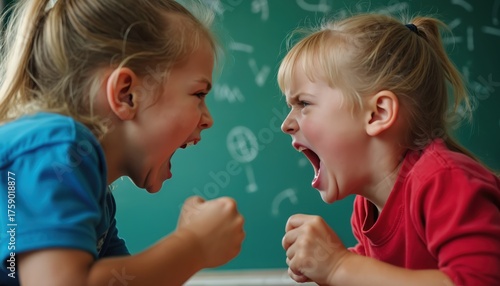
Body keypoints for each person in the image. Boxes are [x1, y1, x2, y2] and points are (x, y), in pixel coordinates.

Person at [0, 0, 245, 285]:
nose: (208, 119)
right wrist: (193, 247)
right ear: (126, 94)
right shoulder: (53, 147)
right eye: (199, 94)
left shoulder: (99, 199)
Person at [278, 13, 500, 286]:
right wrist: (326, 269)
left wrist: (338, 266)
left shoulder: (444, 180)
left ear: (378, 114)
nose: (286, 125)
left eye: (303, 103)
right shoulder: (366, 207)